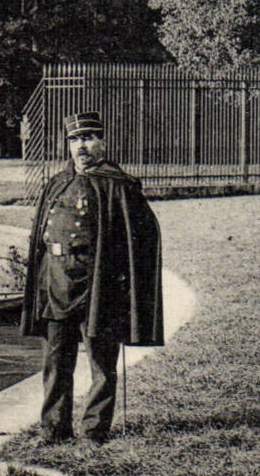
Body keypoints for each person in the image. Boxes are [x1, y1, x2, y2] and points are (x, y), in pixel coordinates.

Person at [20, 110, 163, 442]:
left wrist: (123, 277)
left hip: (101, 286)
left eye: (88, 138)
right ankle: (54, 431)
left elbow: (144, 237)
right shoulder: (57, 183)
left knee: (101, 361)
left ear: (102, 142)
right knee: (56, 359)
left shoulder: (119, 186)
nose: (81, 146)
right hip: (57, 283)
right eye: (74, 140)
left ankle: (94, 432)